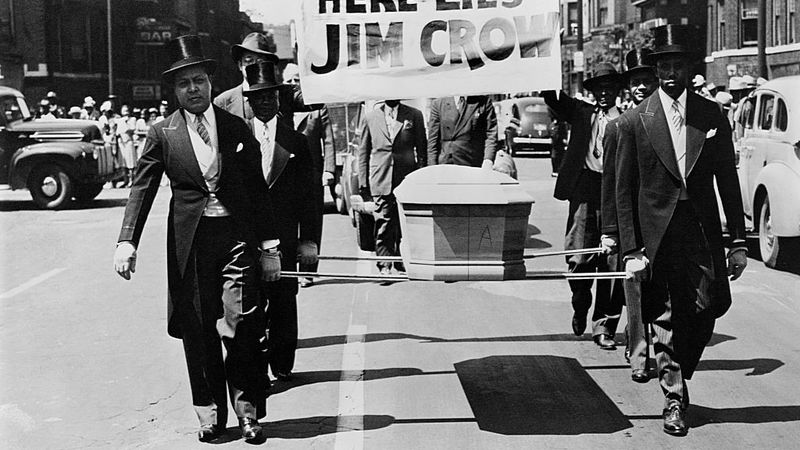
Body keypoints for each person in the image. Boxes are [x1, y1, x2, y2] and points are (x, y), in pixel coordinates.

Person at [112, 35, 281, 443]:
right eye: (184, 83)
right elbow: (142, 188)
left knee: (240, 323)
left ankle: (248, 413)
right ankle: (209, 413)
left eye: (200, 80)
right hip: (189, 244)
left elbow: (258, 191)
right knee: (199, 329)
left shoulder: (236, 127)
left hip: (235, 238)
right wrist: (126, 241)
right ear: (174, 89)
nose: (194, 89)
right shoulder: (162, 133)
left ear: (209, 81)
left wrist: (270, 247)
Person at [615, 25, 747, 436]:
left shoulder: (711, 115)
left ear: (690, 68)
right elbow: (623, 191)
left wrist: (739, 242)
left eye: (677, 65)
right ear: (655, 72)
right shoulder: (635, 121)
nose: (670, 73)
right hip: (657, 235)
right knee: (667, 313)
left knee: (709, 307)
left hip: (700, 228)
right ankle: (674, 395)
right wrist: (630, 248)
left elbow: (727, 179)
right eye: (663, 66)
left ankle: (679, 371)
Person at [241, 60, 319, 382]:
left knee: (284, 302)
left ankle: (283, 363)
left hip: (286, 238)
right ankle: (258, 369)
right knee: (252, 304)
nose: (265, 103)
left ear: (278, 99)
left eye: (270, 97)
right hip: (248, 239)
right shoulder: (238, 137)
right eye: (258, 97)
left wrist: (309, 240)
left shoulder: (296, 141)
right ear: (249, 101)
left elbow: (311, 196)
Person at [542, 63, 626, 350]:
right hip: (584, 190)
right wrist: (544, 67)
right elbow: (554, 99)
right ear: (593, 92)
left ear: (618, 90)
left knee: (613, 263)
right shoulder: (581, 112)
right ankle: (580, 303)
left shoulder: (627, 120)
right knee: (579, 258)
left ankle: (604, 326)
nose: (604, 93)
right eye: (599, 88)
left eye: (610, 88)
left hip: (614, 194)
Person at [600, 48, 659, 383]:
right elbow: (610, 184)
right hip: (630, 223)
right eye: (635, 82)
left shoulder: (669, 124)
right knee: (634, 288)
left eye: (647, 81)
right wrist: (610, 230)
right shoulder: (618, 127)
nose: (641, 87)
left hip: (662, 221)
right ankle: (639, 355)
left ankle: (655, 343)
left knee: (659, 290)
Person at [358, 99, 427, 275]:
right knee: (383, 222)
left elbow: (422, 149)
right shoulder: (370, 118)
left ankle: (401, 260)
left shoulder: (413, 115)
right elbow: (363, 152)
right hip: (381, 178)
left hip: (406, 178)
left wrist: (420, 176)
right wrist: (363, 183)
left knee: (405, 222)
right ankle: (384, 265)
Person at [282, 63, 336, 288]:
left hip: (312, 173)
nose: (294, 85)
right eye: (289, 81)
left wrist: (328, 170)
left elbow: (329, 139)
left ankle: (308, 271)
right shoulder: (280, 107)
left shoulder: (315, 107)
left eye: (297, 80)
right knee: (286, 222)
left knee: (311, 223)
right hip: (285, 175)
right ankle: (289, 270)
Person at [214, 32, 321, 126]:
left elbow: (316, 100)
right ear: (239, 65)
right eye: (249, 61)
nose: (254, 65)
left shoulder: (285, 94)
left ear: (269, 65)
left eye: (260, 61)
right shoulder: (223, 102)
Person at [426, 95, 498, 169]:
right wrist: (432, 167)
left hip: (472, 163)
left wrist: (488, 160)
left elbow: (491, 135)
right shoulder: (438, 103)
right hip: (446, 164)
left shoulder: (483, 102)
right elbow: (432, 140)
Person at [115, 104, 137, 187]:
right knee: (123, 163)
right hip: (122, 143)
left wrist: (127, 123)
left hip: (128, 142)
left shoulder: (132, 119)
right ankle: (125, 180)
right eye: (123, 110)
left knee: (130, 163)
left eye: (126, 110)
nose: (125, 112)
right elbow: (117, 132)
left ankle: (132, 180)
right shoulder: (119, 120)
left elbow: (132, 129)